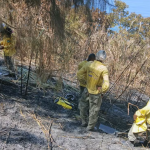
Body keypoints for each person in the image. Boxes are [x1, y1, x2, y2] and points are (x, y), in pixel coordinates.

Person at [77, 50, 109, 130]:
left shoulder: (88, 64)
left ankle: (84, 122)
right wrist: (101, 90)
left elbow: (79, 73)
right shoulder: (104, 69)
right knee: (93, 111)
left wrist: (84, 81)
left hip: (87, 90)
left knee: (83, 106)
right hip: (95, 93)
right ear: (104, 58)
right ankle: (90, 127)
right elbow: (106, 84)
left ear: (97, 56)